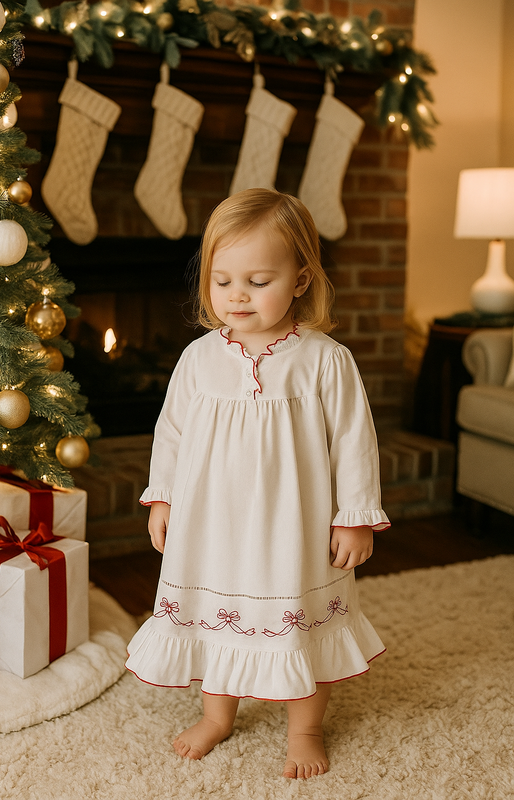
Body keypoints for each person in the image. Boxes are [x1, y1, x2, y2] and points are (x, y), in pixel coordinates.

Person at [125, 188, 390, 779]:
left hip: (294, 525)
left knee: (299, 621)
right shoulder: (198, 359)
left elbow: (355, 441)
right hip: (213, 522)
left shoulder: (324, 360)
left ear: (300, 280)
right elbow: (170, 433)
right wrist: (162, 498)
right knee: (216, 615)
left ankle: (305, 727)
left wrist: (355, 516)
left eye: (258, 281)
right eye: (222, 281)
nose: (237, 295)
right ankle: (217, 715)